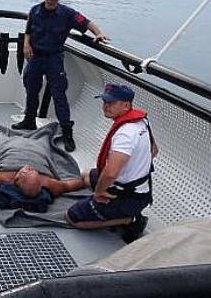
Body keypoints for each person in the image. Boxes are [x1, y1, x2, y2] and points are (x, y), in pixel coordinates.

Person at [12, 0, 109, 152]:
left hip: (54, 59)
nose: (51, 2)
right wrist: (26, 44)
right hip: (35, 57)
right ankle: (29, 120)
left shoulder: (68, 14)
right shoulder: (35, 10)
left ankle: (66, 131)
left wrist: (98, 33)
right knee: (31, 89)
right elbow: (28, 30)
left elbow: (86, 23)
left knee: (59, 95)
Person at [65, 84, 157, 243]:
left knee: (72, 217)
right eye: (105, 102)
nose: (105, 106)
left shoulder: (125, 134)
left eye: (111, 103)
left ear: (126, 105)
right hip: (140, 189)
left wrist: (99, 192)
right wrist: (135, 168)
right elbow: (154, 150)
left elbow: (111, 173)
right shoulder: (142, 122)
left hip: (128, 196)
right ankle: (63, 187)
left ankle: (130, 220)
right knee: (86, 175)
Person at [0, 158, 85, 198]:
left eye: (30, 170)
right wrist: (84, 180)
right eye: (29, 170)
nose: (27, 167)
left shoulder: (2, 178)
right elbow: (70, 185)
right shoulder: (52, 184)